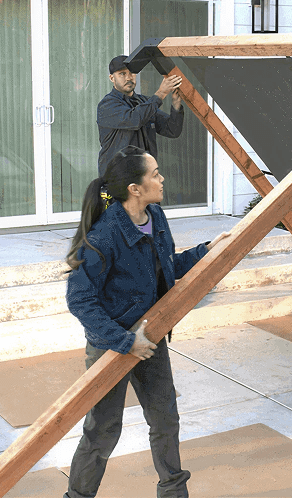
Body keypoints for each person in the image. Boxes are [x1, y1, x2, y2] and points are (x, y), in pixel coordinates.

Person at [64, 145, 227, 498]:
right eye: (155, 174)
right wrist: (124, 342)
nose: (162, 178)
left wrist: (206, 250)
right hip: (112, 345)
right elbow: (80, 300)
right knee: (103, 430)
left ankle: (173, 493)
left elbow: (167, 266)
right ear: (135, 188)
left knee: (165, 419)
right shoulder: (104, 236)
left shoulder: (157, 217)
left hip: (150, 339)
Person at [97, 55, 185, 177]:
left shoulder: (144, 103)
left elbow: (172, 130)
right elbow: (134, 119)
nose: (129, 77)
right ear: (112, 78)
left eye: (132, 72)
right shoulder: (107, 105)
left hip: (144, 177)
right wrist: (161, 93)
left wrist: (176, 103)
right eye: (122, 74)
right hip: (117, 179)